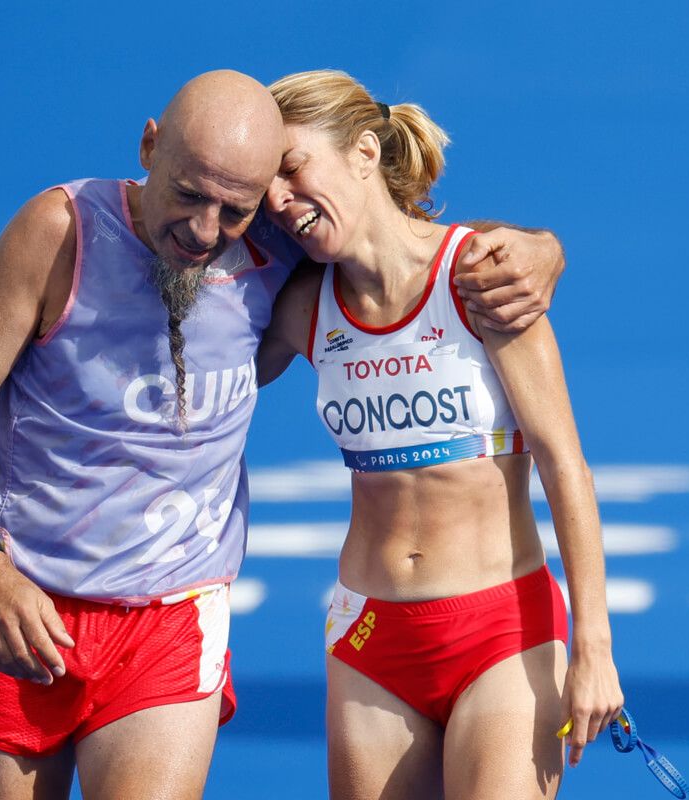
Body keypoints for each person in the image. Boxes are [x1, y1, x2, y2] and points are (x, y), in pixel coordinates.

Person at [0, 69, 567, 800]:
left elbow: (403, 244)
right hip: (18, 600)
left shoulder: (276, 249)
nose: (204, 230)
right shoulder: (60, 233)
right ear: (149, 147)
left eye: (235, 209)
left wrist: (538, 248)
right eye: (188, 195)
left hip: (174, 612)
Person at [256, 70, 623, 799]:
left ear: (365, 151)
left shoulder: (483, 277)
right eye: (265, 185)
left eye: (292, 168)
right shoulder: (300, 305)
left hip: (501, 632)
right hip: (369, 639)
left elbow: (565, 465)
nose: (278, 199)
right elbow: (195, 381)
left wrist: (595, 648)